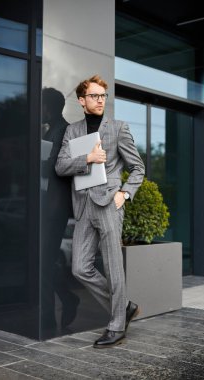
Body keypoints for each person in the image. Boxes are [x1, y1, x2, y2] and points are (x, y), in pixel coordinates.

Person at [55, 75, 145, 348]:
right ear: (82, 101)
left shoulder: (118, 128)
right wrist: (88, 159)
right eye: (94, 96)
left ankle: (117, 326)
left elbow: (138, 168)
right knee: (80, 267)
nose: (100, 100)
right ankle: (125, 307)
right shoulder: (72, 131)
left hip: (109, 204)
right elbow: (60, 166)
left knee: (114, 267)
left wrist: (125, 193)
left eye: (103, 96)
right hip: (83, 207)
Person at [41, 87, 80, 336]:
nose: (39, 110)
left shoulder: (66, 131)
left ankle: (47, 317)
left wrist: (38, 162)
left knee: (43, 261)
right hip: (47, 205)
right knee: (42, 262)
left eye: (41, 105)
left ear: (50, 107)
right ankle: (64, 301)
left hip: (56, 208)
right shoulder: (50, 131)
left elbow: (61, 169)